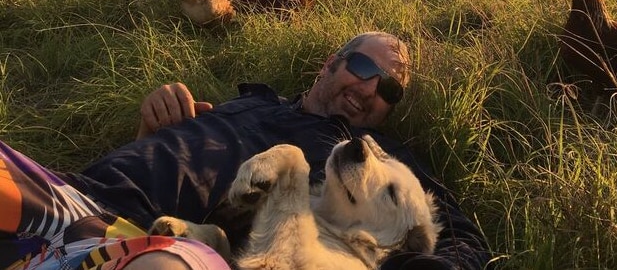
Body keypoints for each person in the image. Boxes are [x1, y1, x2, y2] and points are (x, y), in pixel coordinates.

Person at [0, 31, 491, 270]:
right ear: (330, 63)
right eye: (363, 66)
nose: (370, 89)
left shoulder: (376, 162)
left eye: (390, 90)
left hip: (153, 246)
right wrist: (146, 132)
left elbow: (460, 237)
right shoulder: (248, 101)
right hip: (71, 197)